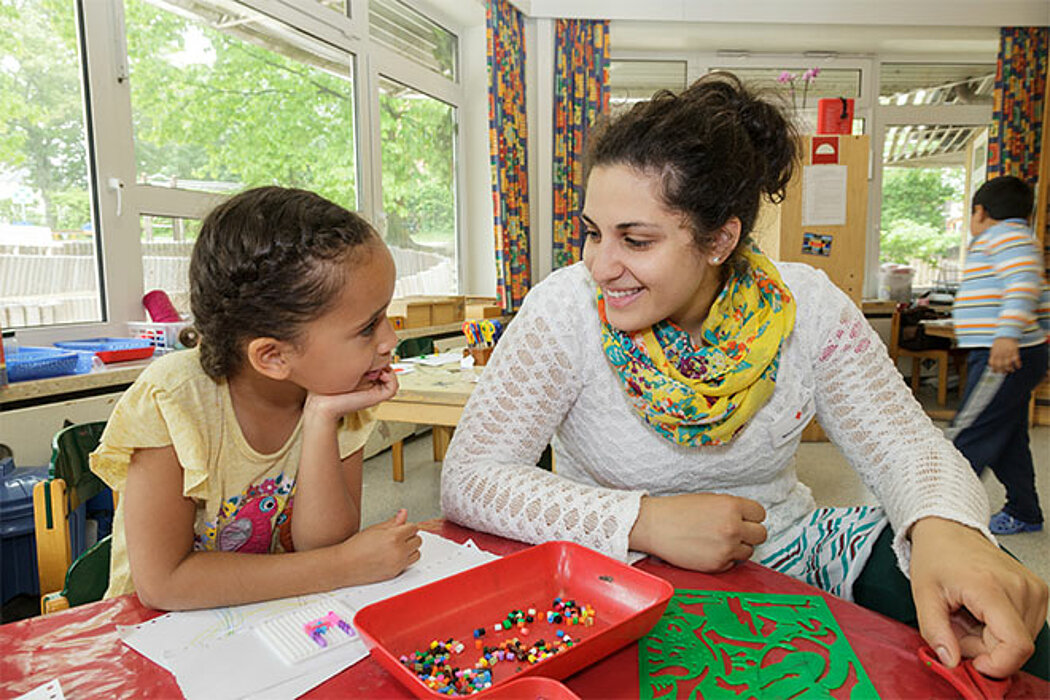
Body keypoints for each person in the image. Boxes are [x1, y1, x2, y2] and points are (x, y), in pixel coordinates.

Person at [441, 73, 1048, 679]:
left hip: (788, 551)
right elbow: (470, 477)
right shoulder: (565, 308)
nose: (600, 266)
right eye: (593, 233)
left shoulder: (806, 307)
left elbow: (905, 446)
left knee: (1000, 609)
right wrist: (644, 521)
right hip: (615, 572)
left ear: (720, 240)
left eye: (637, 240)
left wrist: (943, 524)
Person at [91, 187, 422, 611]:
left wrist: (320, 418)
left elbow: (322, 546)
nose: (390, 340)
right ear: (273, 356)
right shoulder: (173, 400)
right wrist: (343, 565)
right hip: (155, 629)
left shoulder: (341, 395)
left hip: (266, 615)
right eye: (368, 327)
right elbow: (164, 584)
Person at [949, 176, 1050, 535]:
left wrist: (1007, 335)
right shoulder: (1020, 240)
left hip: (1005, 354)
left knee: (968, 432)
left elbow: (1023, 285)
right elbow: (1041, 296)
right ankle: (1024, 511)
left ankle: (941, 514)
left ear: (979, 212)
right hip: (1018, 351)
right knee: (1008, 438)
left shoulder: (1003, 236)